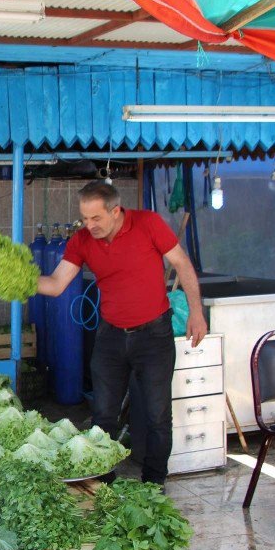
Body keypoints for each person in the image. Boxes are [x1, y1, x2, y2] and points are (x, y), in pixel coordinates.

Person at [37, 182, 207, 487]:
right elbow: (56, 284)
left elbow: (181, 263)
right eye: (84, 219)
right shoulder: (82, 241)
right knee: (103, 417)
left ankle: (153, 485)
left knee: (157, 416)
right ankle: (104, 484)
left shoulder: (148, 223)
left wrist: (197, 312)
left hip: (153, 335)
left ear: (116, 211)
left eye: (96, 218)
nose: (89, 226)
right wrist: (19, 280)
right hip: (110, 337)